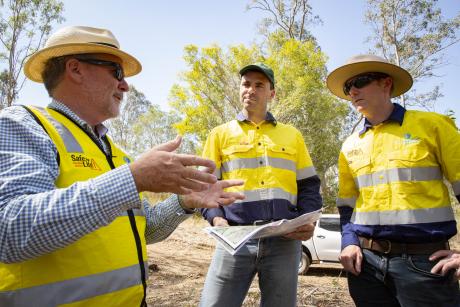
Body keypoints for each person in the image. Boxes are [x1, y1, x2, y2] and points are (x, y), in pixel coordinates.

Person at [0, 26, 245, 307]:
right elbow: (9, 230)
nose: (125, 85)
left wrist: (185, 201)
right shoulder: (23, 125)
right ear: (75, 69)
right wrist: (131, 179)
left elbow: (143, 229)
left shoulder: (115, 153)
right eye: (116, 71)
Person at [327, 54, 460, 306]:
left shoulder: (433, 126)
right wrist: (348, 243)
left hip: (426, 264)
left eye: (360, 81)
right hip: (365, 266)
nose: (352, 91)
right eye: (347, 87)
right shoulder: (350, 145)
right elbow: (347, 207)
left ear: (386, 83)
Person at [198, 63, 322, 307]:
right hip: (234, 238)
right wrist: (216, 218)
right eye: (246, 84)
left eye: (259, 85)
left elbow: (309, 185)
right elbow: (204, 187)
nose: (250, 90)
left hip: (284, 241)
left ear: (272, 93)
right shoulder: (219, 134)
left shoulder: (292, 135)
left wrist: (308, 220)